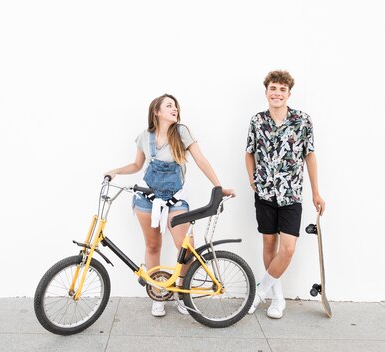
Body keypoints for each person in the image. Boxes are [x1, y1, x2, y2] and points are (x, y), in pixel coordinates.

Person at [105, 94, 235, 317]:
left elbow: (201, 160)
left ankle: (183, 294)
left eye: (175, 106)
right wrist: (116, 170)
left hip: (175, 198)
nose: (174, 109)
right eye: (169, 106)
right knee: (153, 246)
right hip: (147, 200)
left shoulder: (182, 132)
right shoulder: (145, 136)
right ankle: (157, 294)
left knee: (186, 248)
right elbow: (138, 165)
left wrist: (218, 186)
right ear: (156, 111)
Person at [245, 70, 326, 319]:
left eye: (282, 89)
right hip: (265, 194)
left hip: (291, 195)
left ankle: (259, 291)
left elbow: (309, 156)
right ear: (266, 92)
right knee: (269, 244)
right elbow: (249, 153)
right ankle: (277, 299)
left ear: (289, 93)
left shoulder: (302, 121)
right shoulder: (257, 121)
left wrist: (316, 192)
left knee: (288, 248)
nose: (277, 93)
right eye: (273, 88)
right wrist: (252, 181)